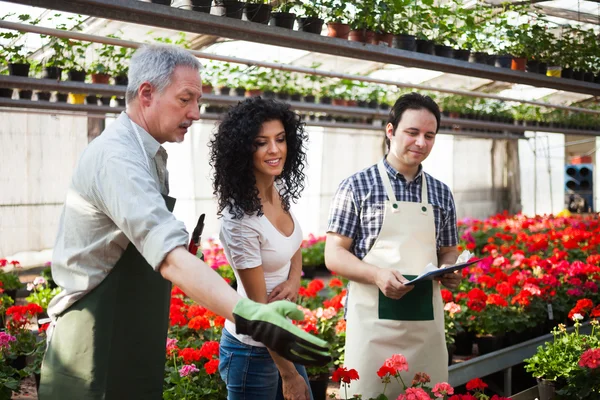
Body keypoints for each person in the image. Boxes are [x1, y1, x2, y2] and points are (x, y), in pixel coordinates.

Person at [39, 45, 329, 400]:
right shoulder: (118, 159)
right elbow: (169, 254)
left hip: (129, 323)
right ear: (147, 93)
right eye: (185, 99)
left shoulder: (150, 154)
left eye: (198, 100)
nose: (195, 112)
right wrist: (253, 315)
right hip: (93, 334)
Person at [324, 92, 461, 398]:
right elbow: (333, 255)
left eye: (429, 135)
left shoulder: (441, 193)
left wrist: (449, 268)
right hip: (373, 325)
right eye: (412, 133)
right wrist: (377, 275)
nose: (421, 143)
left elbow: (448, 249)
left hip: (425, 326)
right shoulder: (357, 186)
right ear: (390, 131)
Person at [210, 97, 313, 400]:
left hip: (284, 339)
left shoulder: (276, 188)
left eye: (280, 139)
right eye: (261, 142)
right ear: (243, 150)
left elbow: (292, 241)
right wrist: (289, 375)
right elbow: (259, 312)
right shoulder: (240, 220)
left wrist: (294, 279)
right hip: (253, 352)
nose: (274, 150)